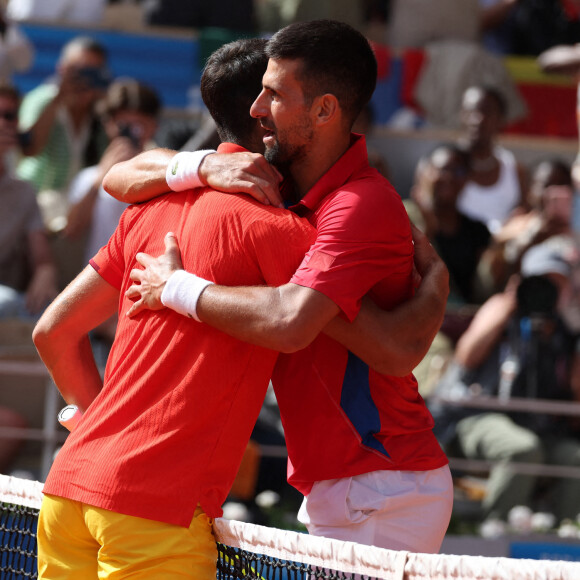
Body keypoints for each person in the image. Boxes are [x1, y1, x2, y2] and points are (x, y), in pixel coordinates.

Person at [32, 36, 446, 578]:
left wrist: (93, 426)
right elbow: (383, 345)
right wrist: (437, 283)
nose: (262, 109)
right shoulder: (279, 229)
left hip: (68, 493)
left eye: (274, 95)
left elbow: (51, 332)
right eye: (262, 95)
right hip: (161, 507)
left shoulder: (149, 208)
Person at [430, 238, 580, 524]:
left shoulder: (565, 331)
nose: (547, 291)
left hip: (537, 427)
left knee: (574, 457)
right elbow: (466, 357)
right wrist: (510, 303)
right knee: (522, 449)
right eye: (541, 281)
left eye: (557, 283)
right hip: (475, 418)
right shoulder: (501, 308)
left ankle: (564, 536)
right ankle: (496, 531)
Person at [16, 36, 110, 235]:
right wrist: (59, 98)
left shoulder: (103, 109)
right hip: (36, 201)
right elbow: (30, 149)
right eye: (79, 70)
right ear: (62, 69)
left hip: (77, 209)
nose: (85, 78)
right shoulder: (42, 99)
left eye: (93, 71)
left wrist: (108, 105)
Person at [0, 83, 58, 321]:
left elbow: (43, 260)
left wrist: (45, 274)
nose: (6, 123)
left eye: (11, 116)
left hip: (8, 302)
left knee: (56, 315)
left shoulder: (23, 191)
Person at [456, 85, 529, 236]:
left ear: (501, 120)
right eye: (471, 111)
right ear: (461, 115)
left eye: (486, 111)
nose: (477, 119)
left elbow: (524, 216)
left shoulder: (515, 170)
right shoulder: (440, 167)